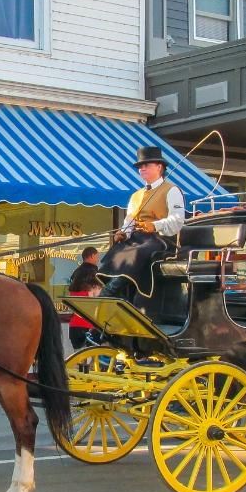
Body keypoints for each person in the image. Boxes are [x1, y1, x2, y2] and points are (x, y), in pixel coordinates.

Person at [98, 146, 186, 301]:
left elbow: (177, 220)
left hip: (161, 239)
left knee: (135, 252)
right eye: (140, 166)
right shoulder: (135, 196)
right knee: (116, 251)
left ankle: (110, 292)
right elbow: (129, 221)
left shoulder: (172, 190)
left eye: (146, 165)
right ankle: (120, 294)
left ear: (159, 167)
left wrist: (155, 225)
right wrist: (124, 232)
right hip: (138, 238)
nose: (142, 168)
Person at [67, 247, 103, 349]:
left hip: (74, 324)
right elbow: (99, 296)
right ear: (91, 256)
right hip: (90, 325)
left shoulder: (75, 274)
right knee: (92, 361)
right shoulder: (94, 274)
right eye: (97, 257)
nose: (98, 260)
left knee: (78, 359)